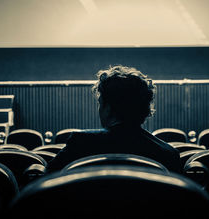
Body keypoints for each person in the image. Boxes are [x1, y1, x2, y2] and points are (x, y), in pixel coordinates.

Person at [47, 65, 181, 173]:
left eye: (100, 103)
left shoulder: (81, 143)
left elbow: (45, 181)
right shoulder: (169, 155)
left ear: (108, 107)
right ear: (145, 109)